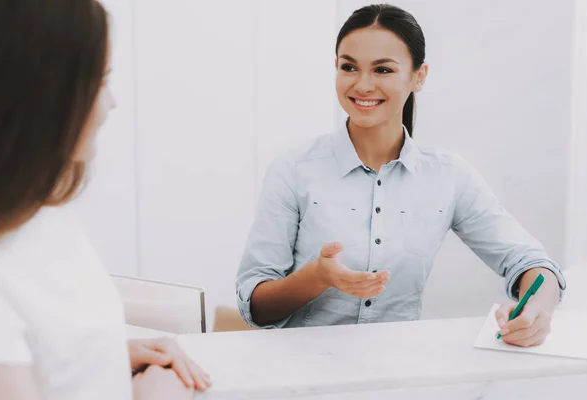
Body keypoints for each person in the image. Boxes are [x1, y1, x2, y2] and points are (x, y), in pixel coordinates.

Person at [235, 3, 566, 348]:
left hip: (398, 373)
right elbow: (254, 306)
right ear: (336, 67)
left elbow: (533, 264)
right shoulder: (293, 170)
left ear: (418, 76)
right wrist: (316, 277)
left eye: (382, 70)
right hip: (296, 375)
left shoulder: (447, 176)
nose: (363, 85)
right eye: (349, 67)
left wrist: (536, 312)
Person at [0, 1, 210, 398]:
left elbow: (42, 343)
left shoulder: (43, 214)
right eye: (100, 81)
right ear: (43, 97)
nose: (111, 103)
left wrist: (99, 358)